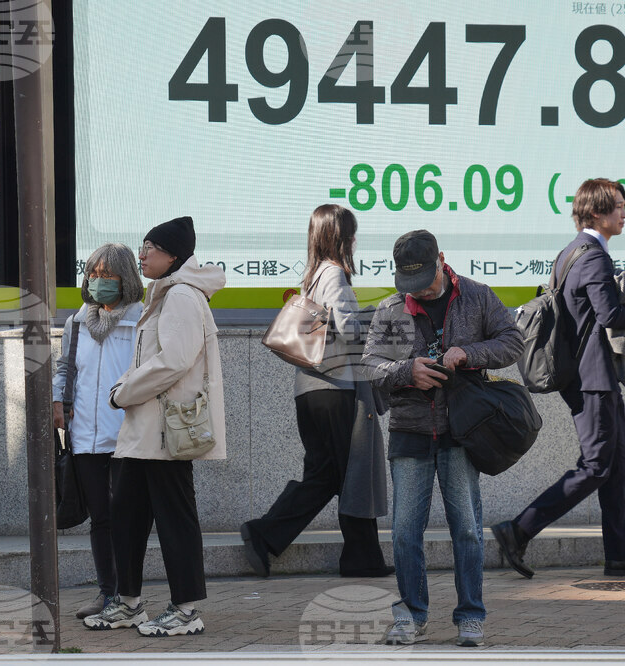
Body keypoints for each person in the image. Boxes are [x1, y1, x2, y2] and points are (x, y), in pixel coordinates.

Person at [490, 179, 625, 580]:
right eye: (619, 206)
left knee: (616, 466)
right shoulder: (592, 257)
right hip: (593, 379)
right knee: (596, 465)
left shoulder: (570, 252)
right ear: (597, 213)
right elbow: (610, 316)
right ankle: (518, 529)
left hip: (589, 377)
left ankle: (621, 554)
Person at [363, 230, 524, 648]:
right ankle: (412, 616)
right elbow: (370, 366)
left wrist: (469, 353)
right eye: (410, 283)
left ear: (443, 261)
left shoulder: (476, 295)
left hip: (461, 431)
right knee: (403, 531)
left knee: (467, 529)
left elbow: (513, 342)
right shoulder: (391, 308)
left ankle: (471, 616)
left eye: (425, 281)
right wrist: (406, 372)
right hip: (409, 431)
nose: (418, 290)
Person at [82, 216, 228, 635]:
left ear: (174, 255)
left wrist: (123, 391)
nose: (142, 255)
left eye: (150, 248)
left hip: (165, 433)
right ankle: (128, 603)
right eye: (142, 247)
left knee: (174, 521)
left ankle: (186, 609)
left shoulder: (181, 294)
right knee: (126, 517)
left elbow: (174, 361)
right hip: (145, 431)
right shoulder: (163, 293)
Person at [241, 204, 390, 578]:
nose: (356, 241)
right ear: (343, 238)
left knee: (326, 474)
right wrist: (381, 314)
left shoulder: (312, 276)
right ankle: (360, 558)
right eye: (353, 234)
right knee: (353, 471)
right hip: (337, 389)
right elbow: (350, 329)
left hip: (310, 389)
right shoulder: (336, 275)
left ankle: (268, 534)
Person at [52, 243, 144, 619]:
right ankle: (108, 593)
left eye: (108, 275)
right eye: (93, 273)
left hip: (127, 436)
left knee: (127, 519)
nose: (98, 282)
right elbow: (65, 368)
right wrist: (57, 401)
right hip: (84, 436)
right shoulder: (77, 323)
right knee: (100, 519)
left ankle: (129, 596)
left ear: (127, 279)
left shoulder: (140, 321)